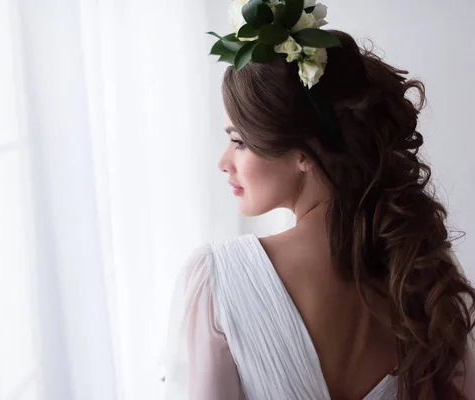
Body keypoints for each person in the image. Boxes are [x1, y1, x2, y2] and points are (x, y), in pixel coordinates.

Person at [162, 1, 475, 399]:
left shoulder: (217, 278)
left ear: (304, 153)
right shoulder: (419, 270)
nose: (224, 162)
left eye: (239, 141)